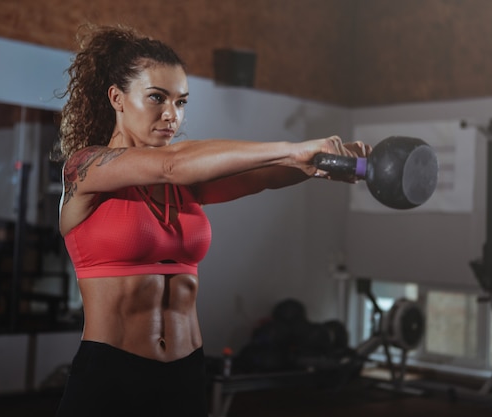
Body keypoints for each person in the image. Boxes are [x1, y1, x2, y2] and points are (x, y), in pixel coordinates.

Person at [53, 24, 370, 417]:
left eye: (181, 102)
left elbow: (265, 178)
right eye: (157, 98)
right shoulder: (85, 167)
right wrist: (293, 150)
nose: (171, 115)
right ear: (117, 98)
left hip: (185, 374)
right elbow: (172, 164)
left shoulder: (187, 186)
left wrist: (322, 164)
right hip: (112, 374)